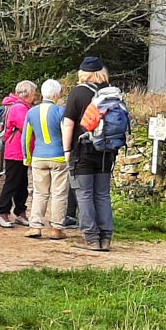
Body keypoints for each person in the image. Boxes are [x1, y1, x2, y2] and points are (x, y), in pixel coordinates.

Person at [61, 56, 117, 252]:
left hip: (82, 151)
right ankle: (106, 238)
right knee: (102, 195)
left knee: (84, 194)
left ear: (83, 74)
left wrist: (67, 150)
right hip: (106, 152)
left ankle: (91, 238)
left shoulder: (78, 93)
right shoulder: (111, 93)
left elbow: (68, 123)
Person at [23, 78, 69, 239]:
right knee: (59, 194)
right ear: (56, 95)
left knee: (39, 193)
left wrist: (26, 157)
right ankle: (56, 229)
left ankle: (35, 226)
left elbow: (26, 138)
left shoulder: (31, 112)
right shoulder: (61, 111)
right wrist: (68, 152)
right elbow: (66, 134)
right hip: (59, 157)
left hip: (38, 157)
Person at [0, 81, 36, 227]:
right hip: (15, 151)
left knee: (22, 183)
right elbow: (28, 126)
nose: (35, 96)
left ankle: (20, 212)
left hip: (19, 150)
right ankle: (2, 212)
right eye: (34, 93)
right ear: (28, 93)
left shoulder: (20, 106)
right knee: (12, 183)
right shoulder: (19, 108)